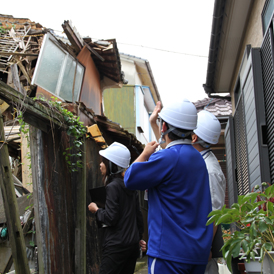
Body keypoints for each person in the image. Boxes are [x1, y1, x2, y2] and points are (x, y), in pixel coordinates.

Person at [124, 99, 213, 274]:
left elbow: (130, 178)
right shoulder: (198, 159)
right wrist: (153, 124)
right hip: (197, 253)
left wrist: (144, 153)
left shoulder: (167, 158)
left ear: (163, 127)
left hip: (170, 253)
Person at [88, 142, 147, 274]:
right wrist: (139, 238)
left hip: (116, 245)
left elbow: (111, 218)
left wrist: (96, 210)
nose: (100, 165)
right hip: (131, 246)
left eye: (104, 162)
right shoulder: (131, 187)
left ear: (111, 165)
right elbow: (138, 216)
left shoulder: (112, 187)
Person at [192, 110, 226, 274]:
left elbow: (213, 214)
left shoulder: (209, 170)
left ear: (194, 137)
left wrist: (205, 248)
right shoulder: (200, 162)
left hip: (201, 250)